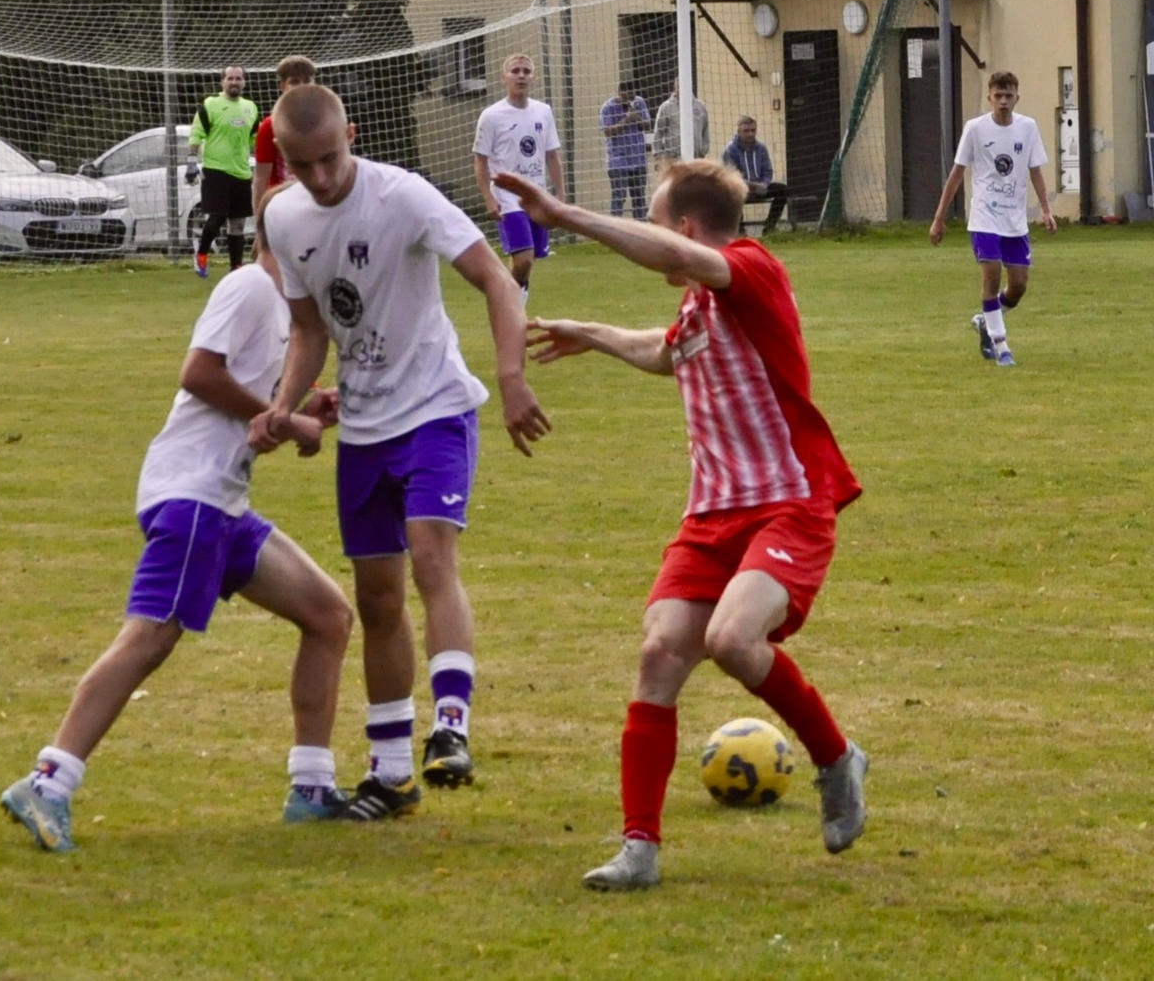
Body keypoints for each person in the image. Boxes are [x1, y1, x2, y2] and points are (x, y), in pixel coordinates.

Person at [495, 162, 867, 891]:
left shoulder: (750, 268)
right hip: (711, 514)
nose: (652, 233)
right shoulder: (699, 305)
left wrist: (562, 216)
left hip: (788, 502)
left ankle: (836, 758)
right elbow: (667, 351)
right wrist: (591, 333)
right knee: (660, 652)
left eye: (656, 220)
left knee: (731, 639)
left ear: (688, 229)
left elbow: (670, 257)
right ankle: (639, 849)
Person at [0, 185, 355, 852]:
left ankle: (311, 789)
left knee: (328, 615)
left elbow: (254, 405)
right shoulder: (250, 287)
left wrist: (304, 408)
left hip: (224, 503)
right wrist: (283, 419)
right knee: (149, 639)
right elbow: (198, 374)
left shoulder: (286, 311)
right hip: (192, 496)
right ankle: (48, 781)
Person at [249, 84, 551, 821]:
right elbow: (309, 329)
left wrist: (511, 379)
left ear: (352, 134)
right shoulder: (281, 217)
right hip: (364, 426)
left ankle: (450, 728)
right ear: (281, 158)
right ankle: (390, 774)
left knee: (430, 557)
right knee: (376, 597)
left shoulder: (403, 195)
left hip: (436, 408)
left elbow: (494, 279)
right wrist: (284, 405)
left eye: (330, 158)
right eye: (302, 165)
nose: (320, 178)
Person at [928, 71, 1057, 367]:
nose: (1003, 101)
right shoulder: (975, 129)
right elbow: (957, 173)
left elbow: (1035, 171)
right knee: (991, 276)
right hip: (984, 217)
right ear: (989, 98)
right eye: (998, 95)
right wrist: (939, 218)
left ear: (1017, 97)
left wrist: (1046, 210)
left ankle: (984, 320)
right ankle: (1002, 347)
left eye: (1008, 95)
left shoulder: (1028, 128)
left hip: (1015, 220)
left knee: (1019, 285)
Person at [472, 53, 564, 302]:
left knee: (527, 260)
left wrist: (559, 194)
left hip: (535, 196)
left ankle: (512, 303)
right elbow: (480, 161)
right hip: (507, 197)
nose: (521, 76)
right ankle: (507, 305)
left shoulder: (543, 111)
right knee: (524, 259)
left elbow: (552, 155)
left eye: (526, 71)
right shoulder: (491, 116)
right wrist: (488, 198)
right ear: (504, 77)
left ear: (533, 78)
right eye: (515, 71)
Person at [188, 65, 260, 278]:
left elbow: (253, 139)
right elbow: (196, 134)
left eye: (238, 78)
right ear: (222, 81)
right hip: (216, 170)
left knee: (238, 224)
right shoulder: (211, 104)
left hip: (241, 173)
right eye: (230, 78)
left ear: (244, 82)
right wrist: (191, 162)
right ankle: (201, 254)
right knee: (217, 217)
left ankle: (235, 267)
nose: (234, 82)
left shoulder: (251, 107)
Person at [251, 55, 316, 219]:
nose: (302, 86)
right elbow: (261, 180)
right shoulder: (270, 126)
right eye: (294, 81)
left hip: (317, 206)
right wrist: (260, 224)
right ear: (283, 86)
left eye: (307, 80)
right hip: (283, 209)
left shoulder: (325, 120)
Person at [721, 116, 787, 232]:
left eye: (753, 130)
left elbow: (768, 171)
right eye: (746, 131)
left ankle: (769, 227)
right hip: (740, 188)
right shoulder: (730, 150)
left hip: (760, 186)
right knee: (730, 194)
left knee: (783, 190)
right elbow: (732, 177)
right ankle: (740, 230)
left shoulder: (761, 148)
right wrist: (752, 185)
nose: (750, 134)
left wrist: (764, 184)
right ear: (739, 132)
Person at [600, 82, 650, 220]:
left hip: (638, 160)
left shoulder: (639, 103)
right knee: (619, 197)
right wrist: (626, 119)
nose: (631, 100)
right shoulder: (608, 107)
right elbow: (608, 132)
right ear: (620, 93)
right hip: (618, 161)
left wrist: (637, 117)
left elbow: (647, 125)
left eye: (633, 96)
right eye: (628, 97)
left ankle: (640, 229)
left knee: (639, 198)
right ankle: (615, 229)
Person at [650, 79, 710, 169]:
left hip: (696, 159)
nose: (682, 89)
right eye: (679, 87)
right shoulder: (666, 107)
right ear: (674, 88)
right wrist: (657, 157)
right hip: (674, 160)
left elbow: (705, 130)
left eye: (684, 86)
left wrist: (703, 150)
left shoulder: (700, 106)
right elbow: (658, 133)